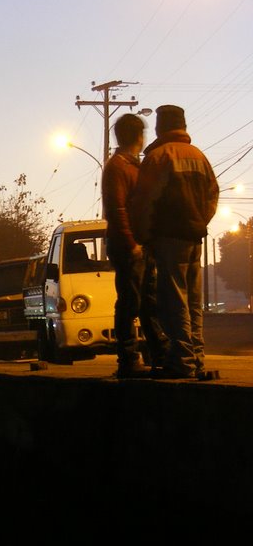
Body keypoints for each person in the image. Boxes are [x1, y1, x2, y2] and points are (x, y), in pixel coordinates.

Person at [129, 104, 219, 380]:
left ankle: (182, 361)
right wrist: (200, 221)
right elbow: (212, 196)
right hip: (195, 236)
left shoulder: (159, 157)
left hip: (168, 238)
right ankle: (197, 358)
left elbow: (145, 203)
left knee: (173, 301)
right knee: (193, 301)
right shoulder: (199, 156)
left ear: (159, 127)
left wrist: (143, 235)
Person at [102, 112, 166, 378]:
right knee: (130, 301)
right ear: (139, 136)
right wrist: (132, 244)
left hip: (140, 244)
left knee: (148, 302)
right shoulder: (118, 166)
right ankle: (128, 359)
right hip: (128, 245)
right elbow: (117, 209)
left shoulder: (132, 165)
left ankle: (159, 354)